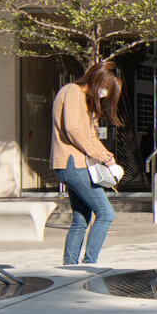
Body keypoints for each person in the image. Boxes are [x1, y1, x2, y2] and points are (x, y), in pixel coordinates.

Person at [51, 57, 124, 265]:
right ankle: (90, 264)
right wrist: (97, 153)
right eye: (105, 89)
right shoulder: (73, 91)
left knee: (81, 218)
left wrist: (105, 155)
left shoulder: (84, 100)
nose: (105, 94)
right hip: (73, 164)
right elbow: (73, 129)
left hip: (72, 164)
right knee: (105, 213)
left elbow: (90, 136)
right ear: (97, 80)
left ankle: (70, 266)